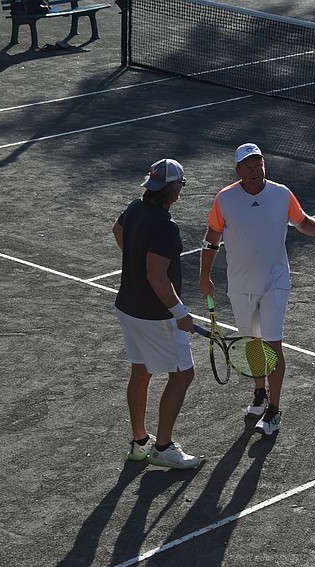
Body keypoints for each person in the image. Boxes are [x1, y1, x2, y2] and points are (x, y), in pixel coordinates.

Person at [199, 143, 315, 436]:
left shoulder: (282, 194)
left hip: (275, 282)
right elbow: (211, 240)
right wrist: (204, 276)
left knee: (273, 343)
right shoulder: (225, 199)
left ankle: (274, 410)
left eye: (258, 165)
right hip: (240, 285)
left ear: (264, 166)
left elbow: (304, 224)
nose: (254, 171)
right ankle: (260, 392)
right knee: (251, 344)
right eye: (247, 166)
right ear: (238, 171)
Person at [113, 158, 201, 469]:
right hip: (157, 317)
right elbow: (157, 276)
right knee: (182, 375)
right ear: (173, 189)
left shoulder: (135, 208)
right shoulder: (166, 227)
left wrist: (134, 257)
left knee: (141, 371)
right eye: (180, 185)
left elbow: (118, 230)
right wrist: (180, 312)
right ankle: (162, 447)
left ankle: (139, 443)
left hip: (128, 307)